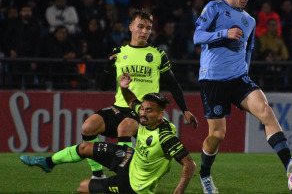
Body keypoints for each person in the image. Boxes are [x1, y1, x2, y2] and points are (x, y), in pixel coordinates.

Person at [193, 0, 292, 194]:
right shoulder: (215, 7)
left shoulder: (250, 20)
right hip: (213, 79)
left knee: (265, 110)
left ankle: (288, 163)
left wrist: (245, 70)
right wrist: (224, 33)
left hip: (239, 78)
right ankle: (205, 175)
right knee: (217, 135)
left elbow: (249, 50)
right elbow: (197, 36)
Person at [20, 73, 196, 193]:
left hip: (134, 186)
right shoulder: (145, 116)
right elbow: (132, 101)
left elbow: (190, 165)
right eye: (142, 109)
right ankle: (48, 162)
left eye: (148, 110)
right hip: (130, 159)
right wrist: (124, 87)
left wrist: (178, 192)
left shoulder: (165, 136)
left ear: (161, 115)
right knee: (84, 147)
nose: (142, 113)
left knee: (82, 187)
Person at [82, 9, 198, 179]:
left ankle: (124, 177)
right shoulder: (119, 53)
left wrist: (185, 110)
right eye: (140, 26)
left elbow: (173, 85)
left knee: (124, 127)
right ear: (130, 27)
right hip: (118, 108)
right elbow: (104, 87)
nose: (144, 31)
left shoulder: (158, 55)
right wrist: (107, 66)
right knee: (88, 127)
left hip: (143, 110)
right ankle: (98, 174)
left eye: (148, 28)